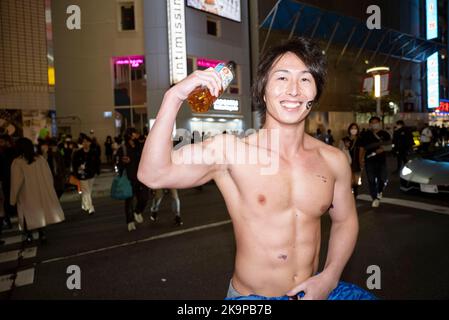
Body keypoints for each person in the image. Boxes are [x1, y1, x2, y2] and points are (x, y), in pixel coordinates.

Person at [138, 37, 375, 300]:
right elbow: (152, 174)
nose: (294, 90)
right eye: (282, 78)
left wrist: (330, 277)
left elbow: (344, 221)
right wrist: (174, 96)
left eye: (305, 79)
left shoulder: (333, 160)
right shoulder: (230, 151)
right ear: (263, 90)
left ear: (315, 93)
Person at [10, 138, 65, 244]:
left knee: (27, 215)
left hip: (26, 194)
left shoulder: (18, 162)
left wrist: (13, 199)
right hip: (40, 192)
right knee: (40, 214)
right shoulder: (40, 159)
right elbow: (49, 176)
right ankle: (42, 234)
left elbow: (16, 182)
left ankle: (29, 235)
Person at [116, 128, 148, 232]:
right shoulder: (123, 149)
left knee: (144, 197)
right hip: (129, 179)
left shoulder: (139, 145)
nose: (137, 135)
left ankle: (138, 212)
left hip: (141, 177)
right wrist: (123, 163)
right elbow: (118, 163)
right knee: (129, 201)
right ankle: (130, 221)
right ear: (130, 135)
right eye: (135, 133)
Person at [359, 116, 391, 208]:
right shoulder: (366, 134)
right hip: (369, 161)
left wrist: (383, 149)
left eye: (376, 122)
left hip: (381, 161)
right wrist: (361, 159)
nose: (374, 124)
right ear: (370, 124)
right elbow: (362, 148)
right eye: (372, 122)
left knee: (382, 179)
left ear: (379, 123)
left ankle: (380, 191)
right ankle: (374, 198)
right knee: (371, 180)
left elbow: (390, 146)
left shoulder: (385, 134)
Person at [72, 135, 100, 215]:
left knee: (88, 191)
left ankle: (84, 205)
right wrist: (76, 172)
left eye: (87, 142)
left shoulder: (93, 152)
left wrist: (97, 171)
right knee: (86, 191)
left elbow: (97, 162)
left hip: (91, 174)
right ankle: (91, 207)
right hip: (82, 175)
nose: (85, 143)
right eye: (84, 142)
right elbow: (74, 164)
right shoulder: (78, 153)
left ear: (90, 143)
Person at [339, 123, 362, 197]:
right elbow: (339, 150)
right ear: (349, 130)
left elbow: (362, 150)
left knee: (356, 181)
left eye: (355, 128)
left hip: (356, 162)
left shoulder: (360, 139)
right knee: (347, 180)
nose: (353, 130)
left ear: (357, 130)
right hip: (346, 162)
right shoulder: (344, 140)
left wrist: (361, 161)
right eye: (352, 128)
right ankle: (349, 195)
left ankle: (354, 194)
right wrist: (345, 147)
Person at [0, 134, 16, 230]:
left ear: (7, 141)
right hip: (6, 179)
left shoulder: (9, 152)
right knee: (5, 200)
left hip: (9, 178)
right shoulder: (3, 152)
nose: (0, 144)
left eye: (2, 142)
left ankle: (7, 218)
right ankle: (7, 218)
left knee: (7, 199)